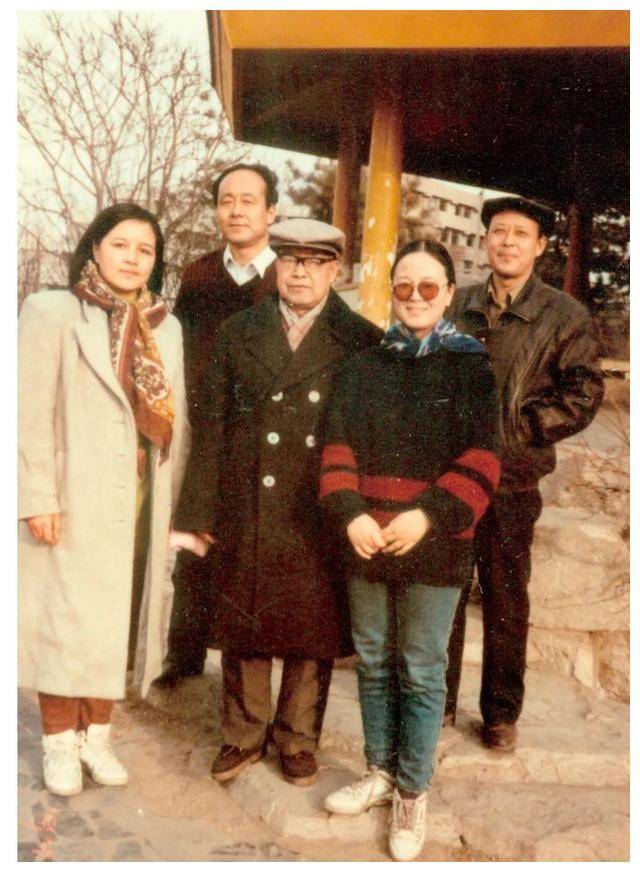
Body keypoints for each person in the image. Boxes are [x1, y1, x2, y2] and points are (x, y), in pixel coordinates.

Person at [173, 218, 382, 787]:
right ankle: (242, 734)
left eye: (314, 263)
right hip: (247, 497)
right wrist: (198, 511)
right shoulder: (240, 330)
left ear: (335, 271)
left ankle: (297, 738)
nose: (300, 273)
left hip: (321, 502)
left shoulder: (361, 338)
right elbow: (211, 425)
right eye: (290, 260)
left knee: (311, 626)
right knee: (245, 619)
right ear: (277, 266)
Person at [320, 240, 500, 862]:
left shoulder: (471, 366)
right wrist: (351, 514)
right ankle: (380, 770)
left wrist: (428, 515)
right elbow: (337, 446)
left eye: (429, 287)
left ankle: (412, 791)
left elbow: (484, 458)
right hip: (368, 536)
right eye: (404, 287)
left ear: (449, 293)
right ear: (391, 292)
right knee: (373, 659)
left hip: (436, 540)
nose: (416, 297)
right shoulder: (365, 364)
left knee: (422, 668)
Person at [18, 203, 189, 797]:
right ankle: (59, 743)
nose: (132, 258)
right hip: (71, 493)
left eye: (145, 250)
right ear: (95, 247)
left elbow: (177, 421)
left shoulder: (166, 326)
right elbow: (26, 412)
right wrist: (37, 496)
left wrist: (173, 509)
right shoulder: (53, 311)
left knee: (117, 617)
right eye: (120, 244)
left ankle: (97, 737)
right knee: (67, 619)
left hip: (138, 495)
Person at [444, 196, 605, 752]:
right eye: (498, 231)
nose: (507, 242)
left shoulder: (564, 315)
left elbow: (583, 393)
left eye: (520, 234)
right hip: (449, 478)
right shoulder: (458, 302)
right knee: (443, 592)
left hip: (512, 480)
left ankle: (500, 713)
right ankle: (437, 702)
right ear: (485, 240)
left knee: (506, 598)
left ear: (540, 246)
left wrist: (521, 429)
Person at [153, 163, 280, 690]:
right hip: (204, 428)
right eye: (227, 200)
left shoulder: (286, 273)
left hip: (264, 434)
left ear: (272, 211)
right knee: (193, 544)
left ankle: (242, 678)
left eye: (248, 201)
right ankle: (182, 657)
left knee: (249, 555)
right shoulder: (200, 273)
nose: (236, 210)